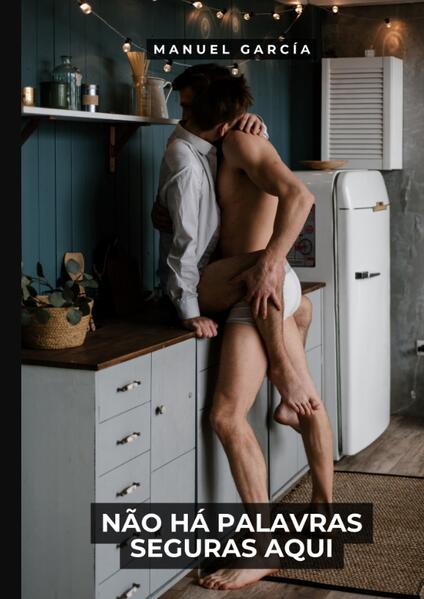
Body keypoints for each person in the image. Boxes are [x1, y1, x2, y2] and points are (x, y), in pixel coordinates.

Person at [155, 67, 334, 589]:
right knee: (302, 397)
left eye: (190, 107)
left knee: (228, 416)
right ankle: (323, 515)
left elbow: (300, 197)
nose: (182, 118)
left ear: (217, 111)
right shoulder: (229, 142)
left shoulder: (239, 143)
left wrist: (269, 264)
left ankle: (261, 548)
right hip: (262, 291)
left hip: (256, 289)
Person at [155, 65, 318, 417]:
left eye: (188, 107)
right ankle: (284, 376)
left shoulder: (218, 145)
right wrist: (189, 313)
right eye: (182, 107)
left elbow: (294, 192)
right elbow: (184, 242)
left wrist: (254, 123)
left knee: (296, 300)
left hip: (217, 274)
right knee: (271, 277)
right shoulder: (187, 154)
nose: (181, 117)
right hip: (197, 283)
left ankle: (286, 386)